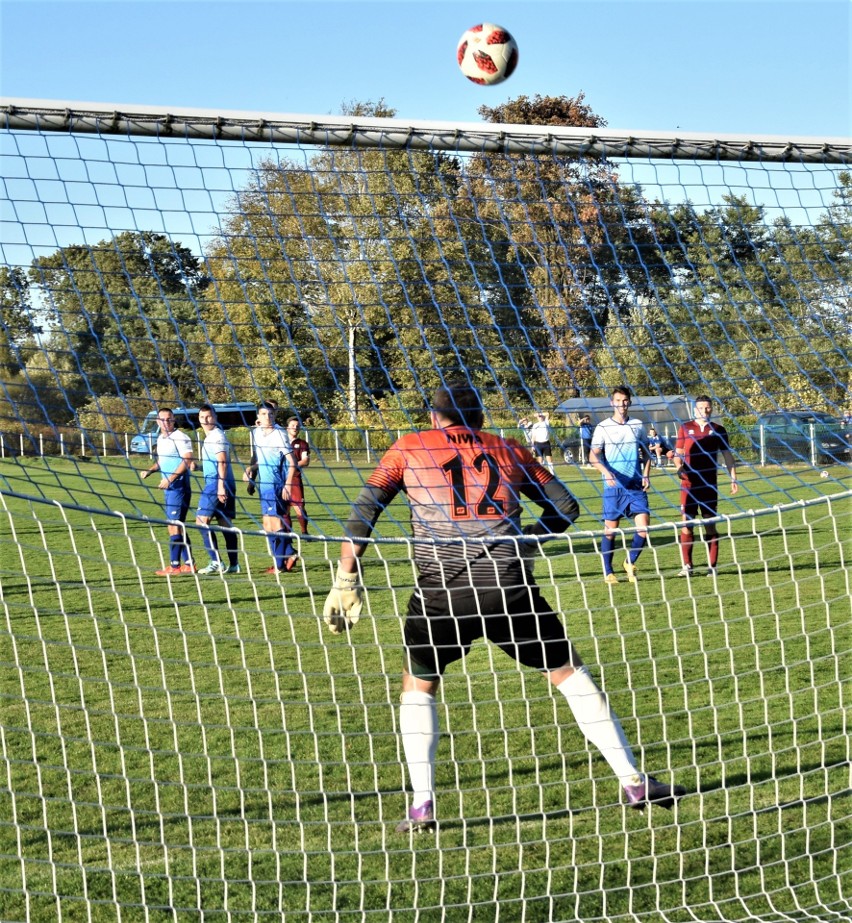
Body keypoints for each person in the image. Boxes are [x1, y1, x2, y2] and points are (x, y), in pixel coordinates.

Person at [322, 381, 686, 833]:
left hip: (441, 592)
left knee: (419, 684)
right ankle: (633, 781)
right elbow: (566, 507)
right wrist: (529, 540)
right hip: (509, 586)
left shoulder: (408, 448)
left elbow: (365, 511)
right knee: (568, 672)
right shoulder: (509, 448)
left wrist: (346, 577)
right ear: (479, 418)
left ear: (434, 417)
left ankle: (422, 805)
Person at [588, 386, 651, 585]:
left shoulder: (637, 425)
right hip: (614, 488)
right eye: (618, 400)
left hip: (635, 486)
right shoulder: (603, 427)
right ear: (612, 402)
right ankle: (608, 572)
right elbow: (593, 456)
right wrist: (606, 473)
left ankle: (629, 562)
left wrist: (647, 475)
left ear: (629, 402)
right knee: (611, 530)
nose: (622, 404)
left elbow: (647, 453)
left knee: (644, 529)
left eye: (625, 400)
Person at [674, 396, 739, 578]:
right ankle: (687, 566)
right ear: (695, 410)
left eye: (708, 407)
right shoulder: (685, 427)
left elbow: (727, 456)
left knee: (710, 525)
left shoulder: (719, 430)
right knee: (687, 524)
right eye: (701, 407)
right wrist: (679, 468)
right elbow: (677, 454)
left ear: (711, 409)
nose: (705, 410)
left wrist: (733, 478)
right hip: (688, 485)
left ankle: (712, 566)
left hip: (709, 485)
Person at [242, 401, 298, 574]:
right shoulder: (257, 433)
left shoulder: (280, 434)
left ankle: (281, 564)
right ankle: (288, 554)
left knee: (276, 524)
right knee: (267, 525)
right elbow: (262, 458)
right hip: (264, 486)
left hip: (276, 485)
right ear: (258, 417)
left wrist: (288, 484)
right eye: (264, 414)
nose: (268, 417)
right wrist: (251, 468)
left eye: (271, 414)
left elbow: (292, 462)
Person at [140, 407, 196, 575]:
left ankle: (174, 566)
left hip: (179, 487)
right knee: (177, 526)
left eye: (169, 419)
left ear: (174, 420)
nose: (166, 422)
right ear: (157, 422)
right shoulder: (162, 438)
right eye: (162, 419)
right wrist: (150, 471)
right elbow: (161, 461)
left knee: (173, 526)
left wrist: (170, 479)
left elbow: (187, 460)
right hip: (170, 488)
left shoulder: (180, 437)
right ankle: (189, 564)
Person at [194, 404, 241, 576]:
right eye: (202, 417)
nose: (205, 420)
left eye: (208, 416)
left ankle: (216, 562)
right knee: (225, 524)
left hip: (216, 484)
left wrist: (220, 485)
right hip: (225, 483)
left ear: (215, 417)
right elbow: (216, 463)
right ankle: (234, 564)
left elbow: (222, 462)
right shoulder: (211, 437)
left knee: (201, 522)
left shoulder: (217, 436)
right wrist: (199, 467)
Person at [284, 416, 311, 534]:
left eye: (297, 426)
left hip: (295, 479)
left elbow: (305, 461)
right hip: (281, 479)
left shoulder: (302, 443)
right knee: (284, 510)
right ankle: (288, 534)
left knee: (299, 508)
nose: (295, 428)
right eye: (293, 425)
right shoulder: (280, 442)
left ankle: (304, 532)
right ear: (287, 427)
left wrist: (292, 466)